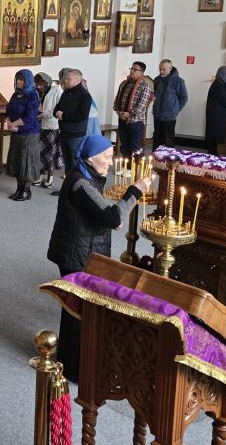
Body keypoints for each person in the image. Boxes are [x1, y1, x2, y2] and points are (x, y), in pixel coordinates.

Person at [46, 134, 152, 383]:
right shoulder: (80, 183)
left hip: (81, 250)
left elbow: (103, 214)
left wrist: (111, 217)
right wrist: (135, 190)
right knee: (77, 311)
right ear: (91, 158)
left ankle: (72, 361)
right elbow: (112, 216)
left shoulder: (88, 176)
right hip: (76, 255)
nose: (111, 162)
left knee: (78, 310)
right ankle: (73, 369)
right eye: (107, 156)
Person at [5, 69, 41, 201]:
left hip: (29, 134)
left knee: (27, 162)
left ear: (28, 80)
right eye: (17, 79)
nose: (19, 82)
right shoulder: (15, 94)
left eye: (21, 79)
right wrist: (9, 122)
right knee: (17, 161)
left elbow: (31, 116)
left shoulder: (32, 95)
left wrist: (14, 124)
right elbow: (8, 110)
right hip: (16, 132)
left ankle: (26, 190)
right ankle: (19, 189)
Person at [53, 68, 92, 187]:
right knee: (68, 163)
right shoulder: (66, 93)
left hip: (76, 135)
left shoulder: (84, 95)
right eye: (66, 79)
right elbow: (57, 107)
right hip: (64, 132)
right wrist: (56, 112)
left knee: (76, 163)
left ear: (77, 80)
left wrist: (63, 115)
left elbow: (82, 115)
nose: (66, 81)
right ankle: (68, 189)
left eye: (68, 79)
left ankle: (77, 189)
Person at [112, 62, 153, 157]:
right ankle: (125, 165)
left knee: (135, 147)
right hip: (122, 119)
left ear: (141, 72)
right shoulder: (124, 83)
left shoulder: (145, 85)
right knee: (124, 146)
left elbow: (142, 105)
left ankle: (136, 165)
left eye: (135, 69)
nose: (132, 71)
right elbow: (117, 99)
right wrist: (118, 111)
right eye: (131, 69)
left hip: (136, 122)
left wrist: (129, 114)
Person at [151, 59, 188, 150]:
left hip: (170, 116)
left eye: (164, 69)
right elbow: (154, 94)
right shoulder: (157, 79)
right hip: (157, 115)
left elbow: (184, 97)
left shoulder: (178, 81)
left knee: (169, 141)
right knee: (156, 140)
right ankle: (155, 157)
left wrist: (175, 110)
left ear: (170, 68)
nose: (161, 71)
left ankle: (168, 158)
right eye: (160, 69)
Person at [34, 73, 62, 190]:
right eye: (37, 85)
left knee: (50, 153)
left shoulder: (57, 91)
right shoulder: (43, 92)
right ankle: (41, 176)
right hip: (42, 125)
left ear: (46, 82)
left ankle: (50, 178)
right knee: (41, 152)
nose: (38, 87)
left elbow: (58, 109)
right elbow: (40, 106)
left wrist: (43, 115)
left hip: (52, 126)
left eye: (40, 84)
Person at [204, 66, 226, 156]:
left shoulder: (220, 84)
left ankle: (213, 153)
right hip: (215, 115)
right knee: (214, 135)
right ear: (224, 74)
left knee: (214, 136)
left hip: (217, 114)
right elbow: (224, 100)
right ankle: (212, 154)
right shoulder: (218, 85)